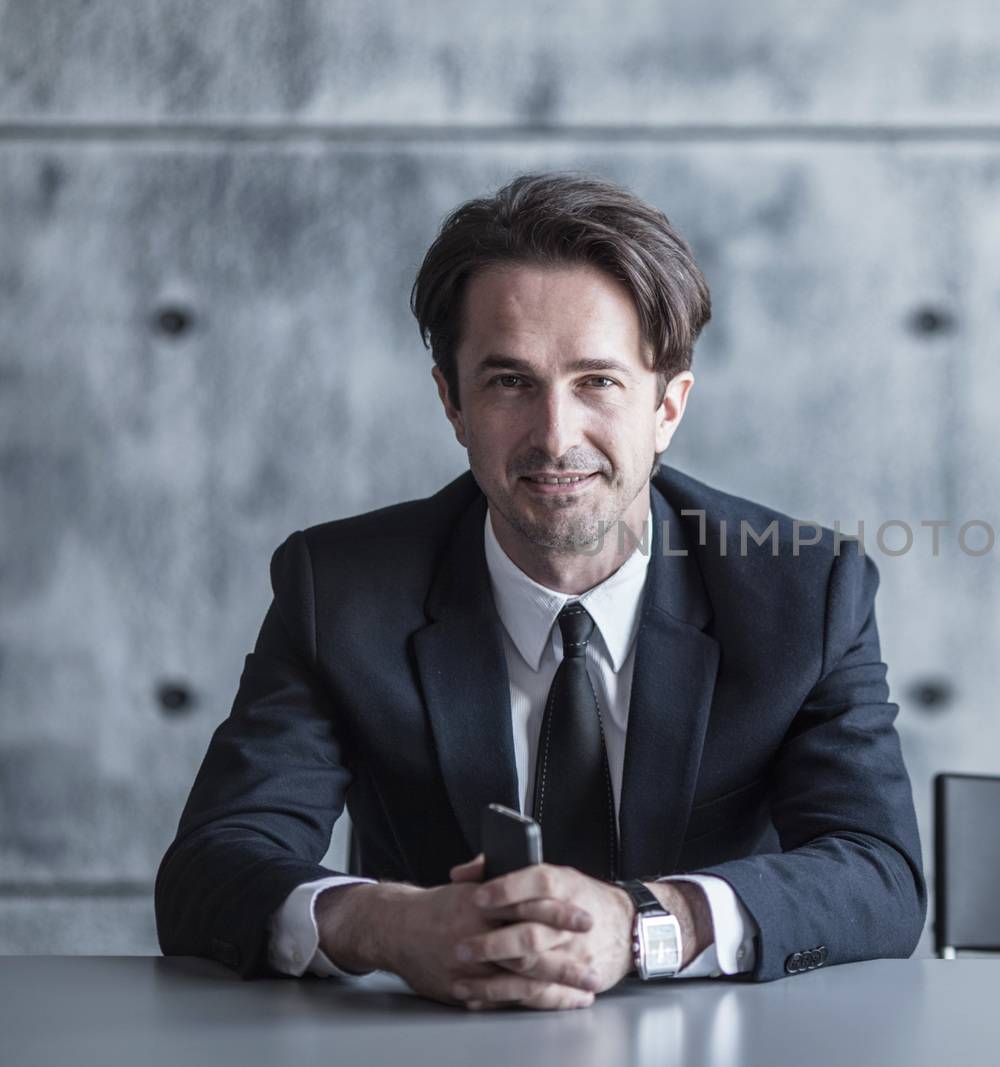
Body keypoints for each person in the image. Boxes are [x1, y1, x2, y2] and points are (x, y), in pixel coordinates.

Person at [154, 172, 925, 1011]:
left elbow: (877, 872)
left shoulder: (805, 591)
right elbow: (212, 867)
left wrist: (644, 923)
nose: (556, 437)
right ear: (451, 401)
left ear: (668, 406)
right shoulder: (337, 590)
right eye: (510, 382)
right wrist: (385, 923)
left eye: (597, 381)